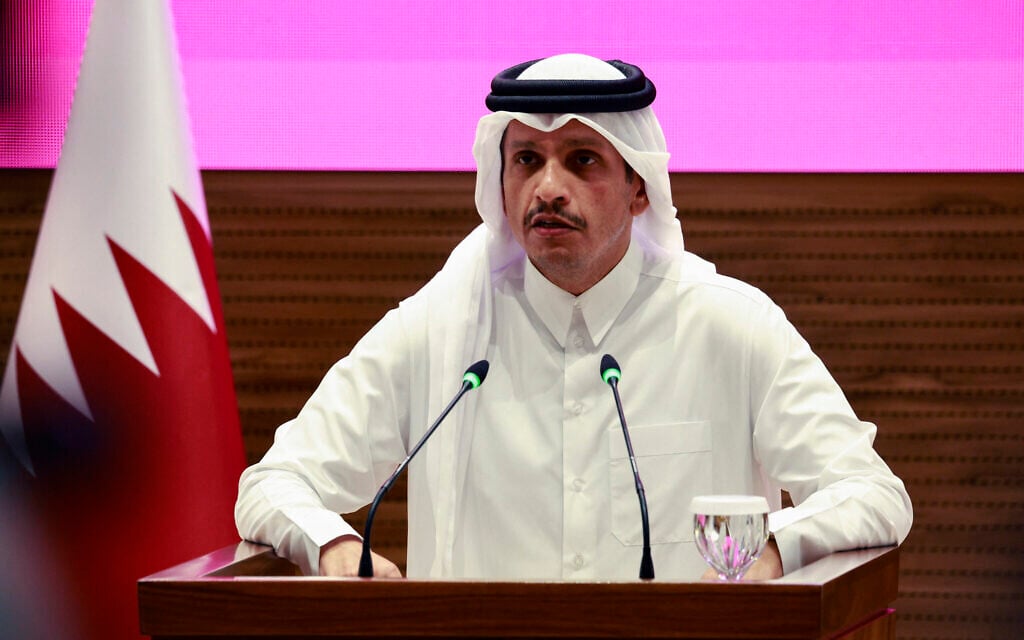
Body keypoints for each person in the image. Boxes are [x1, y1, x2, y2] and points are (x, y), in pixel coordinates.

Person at [235, 53, 912, 580]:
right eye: (527, 160)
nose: (548, 188)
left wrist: (774, 548)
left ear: (639, 188)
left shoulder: (730, 327)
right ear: (499, 185)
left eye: (581, 160)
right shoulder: (439, 333)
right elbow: (272, 484)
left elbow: (874, 494)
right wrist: (332, 545)